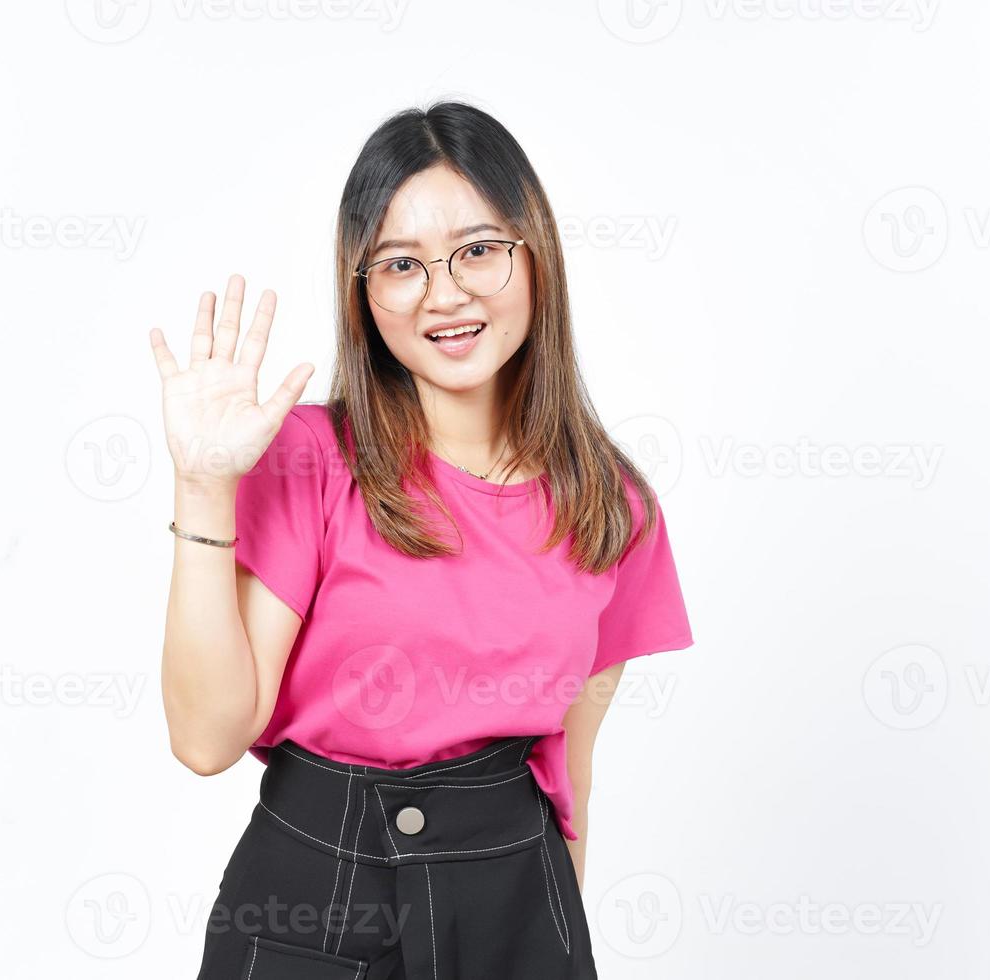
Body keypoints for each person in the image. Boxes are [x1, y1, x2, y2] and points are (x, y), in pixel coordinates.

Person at [149, 100, 694, 980]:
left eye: (479, 249)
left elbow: (571, 776)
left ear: (535, 255)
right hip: (308, 908)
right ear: (364, 294)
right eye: (401, 264)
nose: (446, 293)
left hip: (519, 906)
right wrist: (205, 486)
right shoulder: (312, 461)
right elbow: (207, 740)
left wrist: (556, 941)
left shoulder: (612, 505)